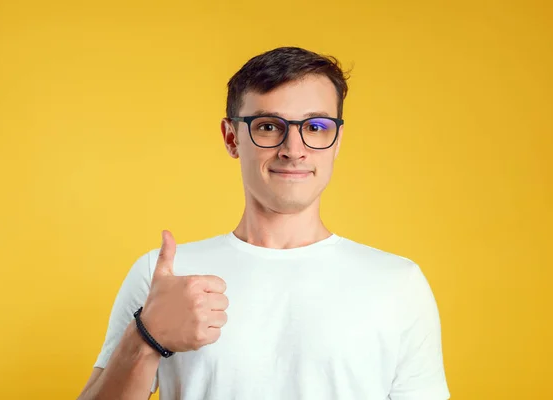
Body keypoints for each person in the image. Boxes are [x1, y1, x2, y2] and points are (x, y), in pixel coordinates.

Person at [77, 46, 450, 400]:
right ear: (231, 137)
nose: (294, 148)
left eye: (316, 126)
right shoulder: (166, 277)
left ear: (337, 140)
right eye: (269, 126)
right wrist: (146, 336)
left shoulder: (398, 284)